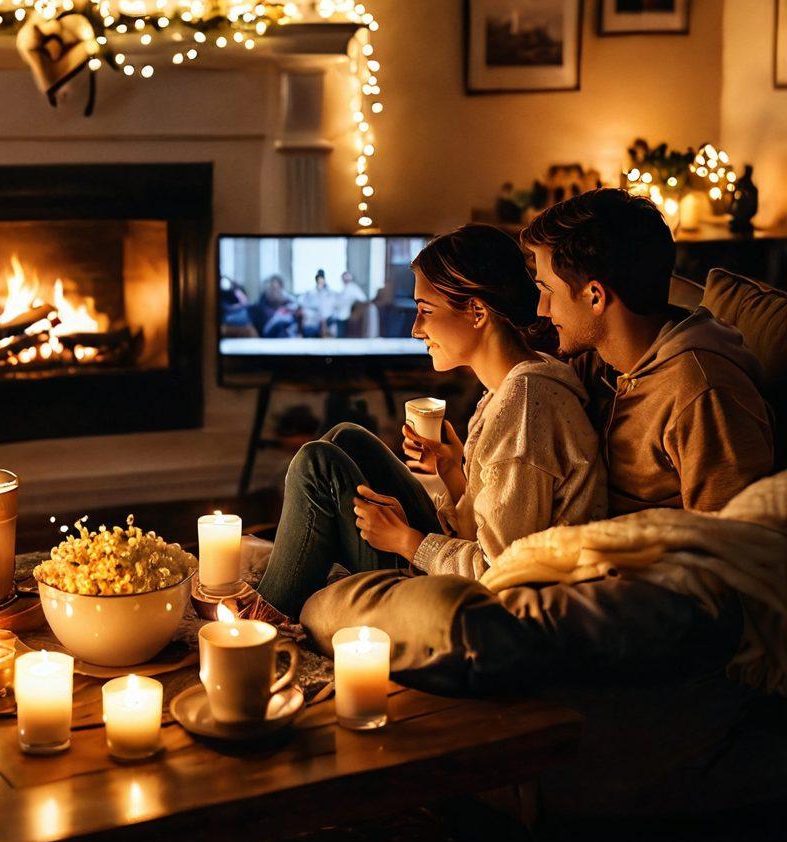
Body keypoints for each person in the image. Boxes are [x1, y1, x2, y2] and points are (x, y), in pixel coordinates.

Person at [250, 224, 607, 619]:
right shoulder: (514, 384)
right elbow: (495, 522)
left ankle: (263, 620)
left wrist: (407, 541)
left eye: (425, 311)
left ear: (476, 311)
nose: (416, 329)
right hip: (468, 577)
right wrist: (455, 472)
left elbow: (501, 571)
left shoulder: (524, 404)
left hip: (485, 610)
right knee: (346, 438)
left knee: (316, 464)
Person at [522, 188, 774, 515]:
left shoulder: (703, 393)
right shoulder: (596, 362)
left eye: (547, 290)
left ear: (595, 296)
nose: (542, 308)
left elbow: (732, 546)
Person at [299, 270, 338, 337]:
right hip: (313, 320)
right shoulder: (310, 293)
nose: (320, 281)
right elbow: (304, 305)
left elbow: (333, 307)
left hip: (328, 319)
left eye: (322, 278)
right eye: (319, 279)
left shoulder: (330, 293)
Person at [334, 270, 369, 336]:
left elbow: (364, 300)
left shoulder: (353, 288)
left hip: (347, 318)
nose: (345, 279)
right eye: (344, 277)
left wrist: (356, 312)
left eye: (347, 277)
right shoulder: (344, 289)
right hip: (339, 317)